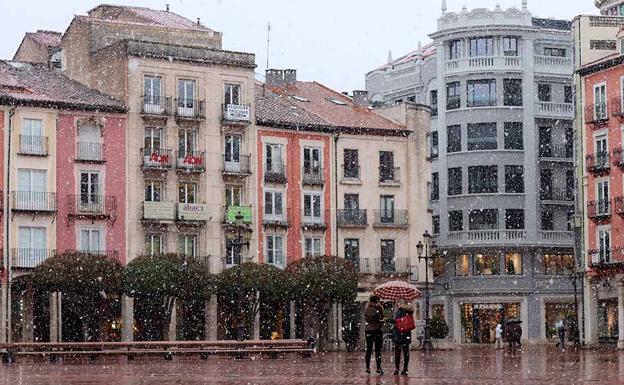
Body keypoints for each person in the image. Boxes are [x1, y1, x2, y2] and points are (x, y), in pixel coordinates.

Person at [391, 298, 414, 377]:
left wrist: (388, 320)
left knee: (397, 352)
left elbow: (396, 321)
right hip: (407, 333)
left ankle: (397, 369)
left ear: (400, 303)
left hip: (399, 333)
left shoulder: (399, 310)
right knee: (406, 352)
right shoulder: (409, 311)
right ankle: (405, 369)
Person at [364, 295, 385, 375]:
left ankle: (367, 368)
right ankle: (378, 368)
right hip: (377, 330)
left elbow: (367, 319)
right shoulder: (378, 308)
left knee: (368, 350)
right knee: (378, 351)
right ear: (377, 301)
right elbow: (380, 318)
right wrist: (382, 321)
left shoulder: (367, 308)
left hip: (368, 330)